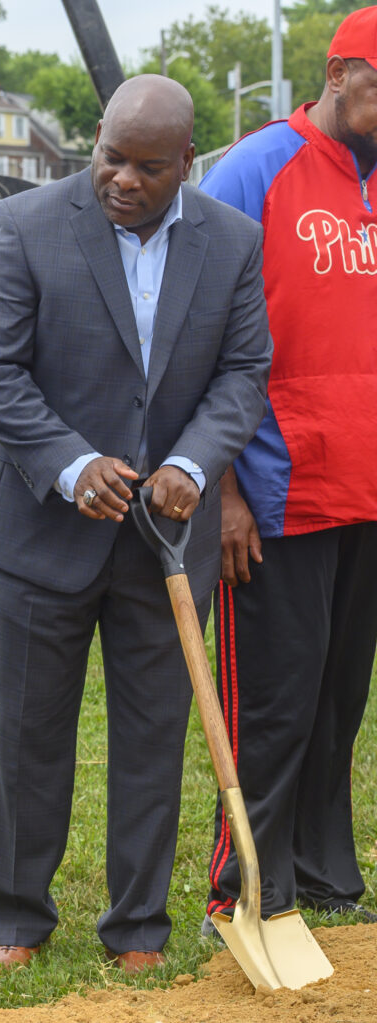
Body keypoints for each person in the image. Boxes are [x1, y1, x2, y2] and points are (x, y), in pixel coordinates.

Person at [0, 75, 272, 973]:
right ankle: (16, 922)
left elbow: (244, 369)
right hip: (41, 539)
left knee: (152, 736)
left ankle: (137, 928)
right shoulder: (25, 225)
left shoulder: (233, 242)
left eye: (145, 167)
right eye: (110, 157)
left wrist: (190, 464)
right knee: (26, 738)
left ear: (185, 162)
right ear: (96, 138)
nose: (122, 180)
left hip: (169, 545)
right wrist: (68, 462)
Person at [195, 6, 377, 929]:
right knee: (276, 699)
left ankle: (323, 869)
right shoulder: (256, 167)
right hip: (276, 486)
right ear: (339, 75)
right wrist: (221, 484)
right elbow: (198, 340)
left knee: (342, 696)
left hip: (368, 486)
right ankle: (245, 885)